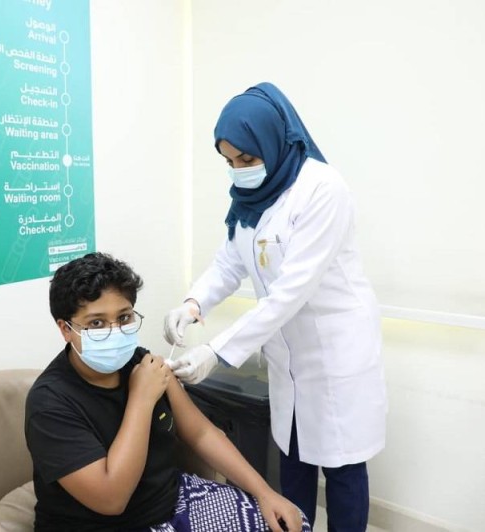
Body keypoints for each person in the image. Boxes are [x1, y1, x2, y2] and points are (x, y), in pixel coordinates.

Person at [163, 82, 387, 532]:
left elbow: (290, 292)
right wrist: (192, 302)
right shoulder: (251, 196)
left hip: (335, 355)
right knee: (293, 459)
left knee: (342, 469)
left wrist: (216, 351)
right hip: (288, 358)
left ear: (273, 141)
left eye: (247, 159)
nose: (238, 171)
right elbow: (228, 263)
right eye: (229, 161)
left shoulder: (322, 190)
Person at [25, 252, 311, 532]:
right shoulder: (50, 403)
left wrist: (264, 492)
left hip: (172, 502)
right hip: (100, 525)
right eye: (96, 323)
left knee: (290, 523)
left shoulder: (140, 362)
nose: (114, 331)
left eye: (124, 317)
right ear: (65, 329)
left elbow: (201, 433)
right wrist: (141, 399)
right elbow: (111, 500)